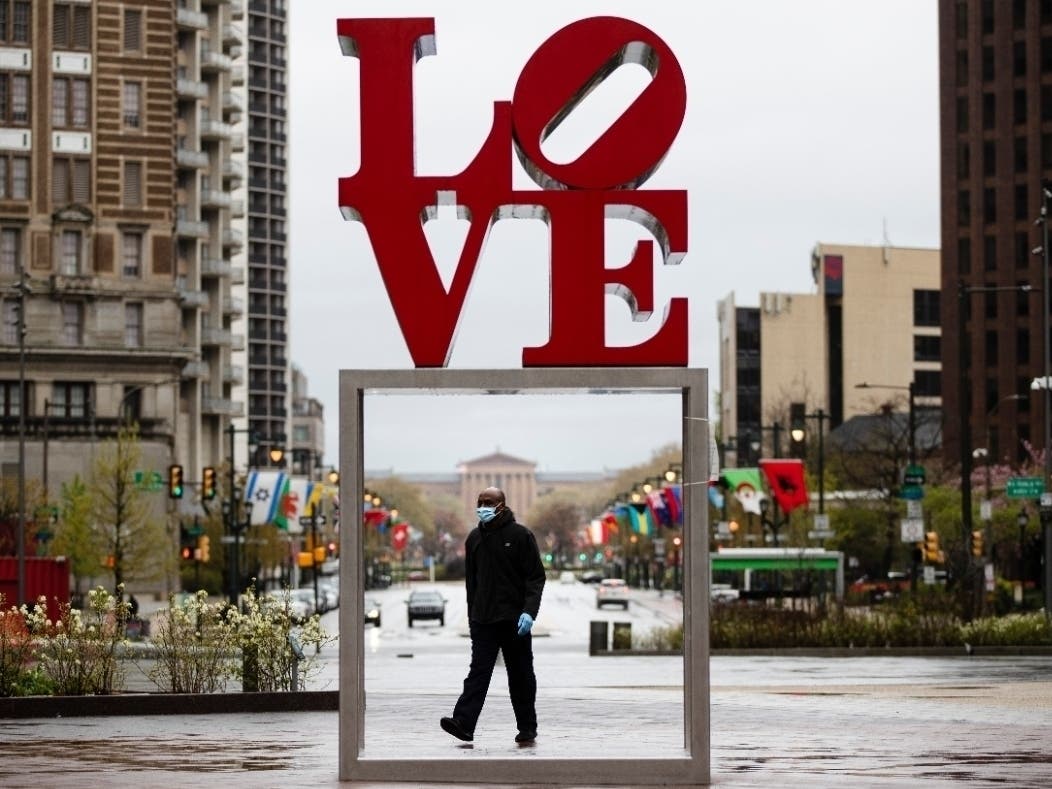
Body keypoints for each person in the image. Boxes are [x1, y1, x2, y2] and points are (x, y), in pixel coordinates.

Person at [441, 487, 546, 744]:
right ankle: (463, 723)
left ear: (502, 505)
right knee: (478, 673)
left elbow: (536, 577)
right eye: (480, 502)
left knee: (521, 675)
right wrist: (472, 617)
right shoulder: (474, 538)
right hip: (483, 620)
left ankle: (527, 727)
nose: (483, 506)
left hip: (514, 620)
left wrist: (529, 612)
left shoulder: (521, 536)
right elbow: (471, 584)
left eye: (489, 502)